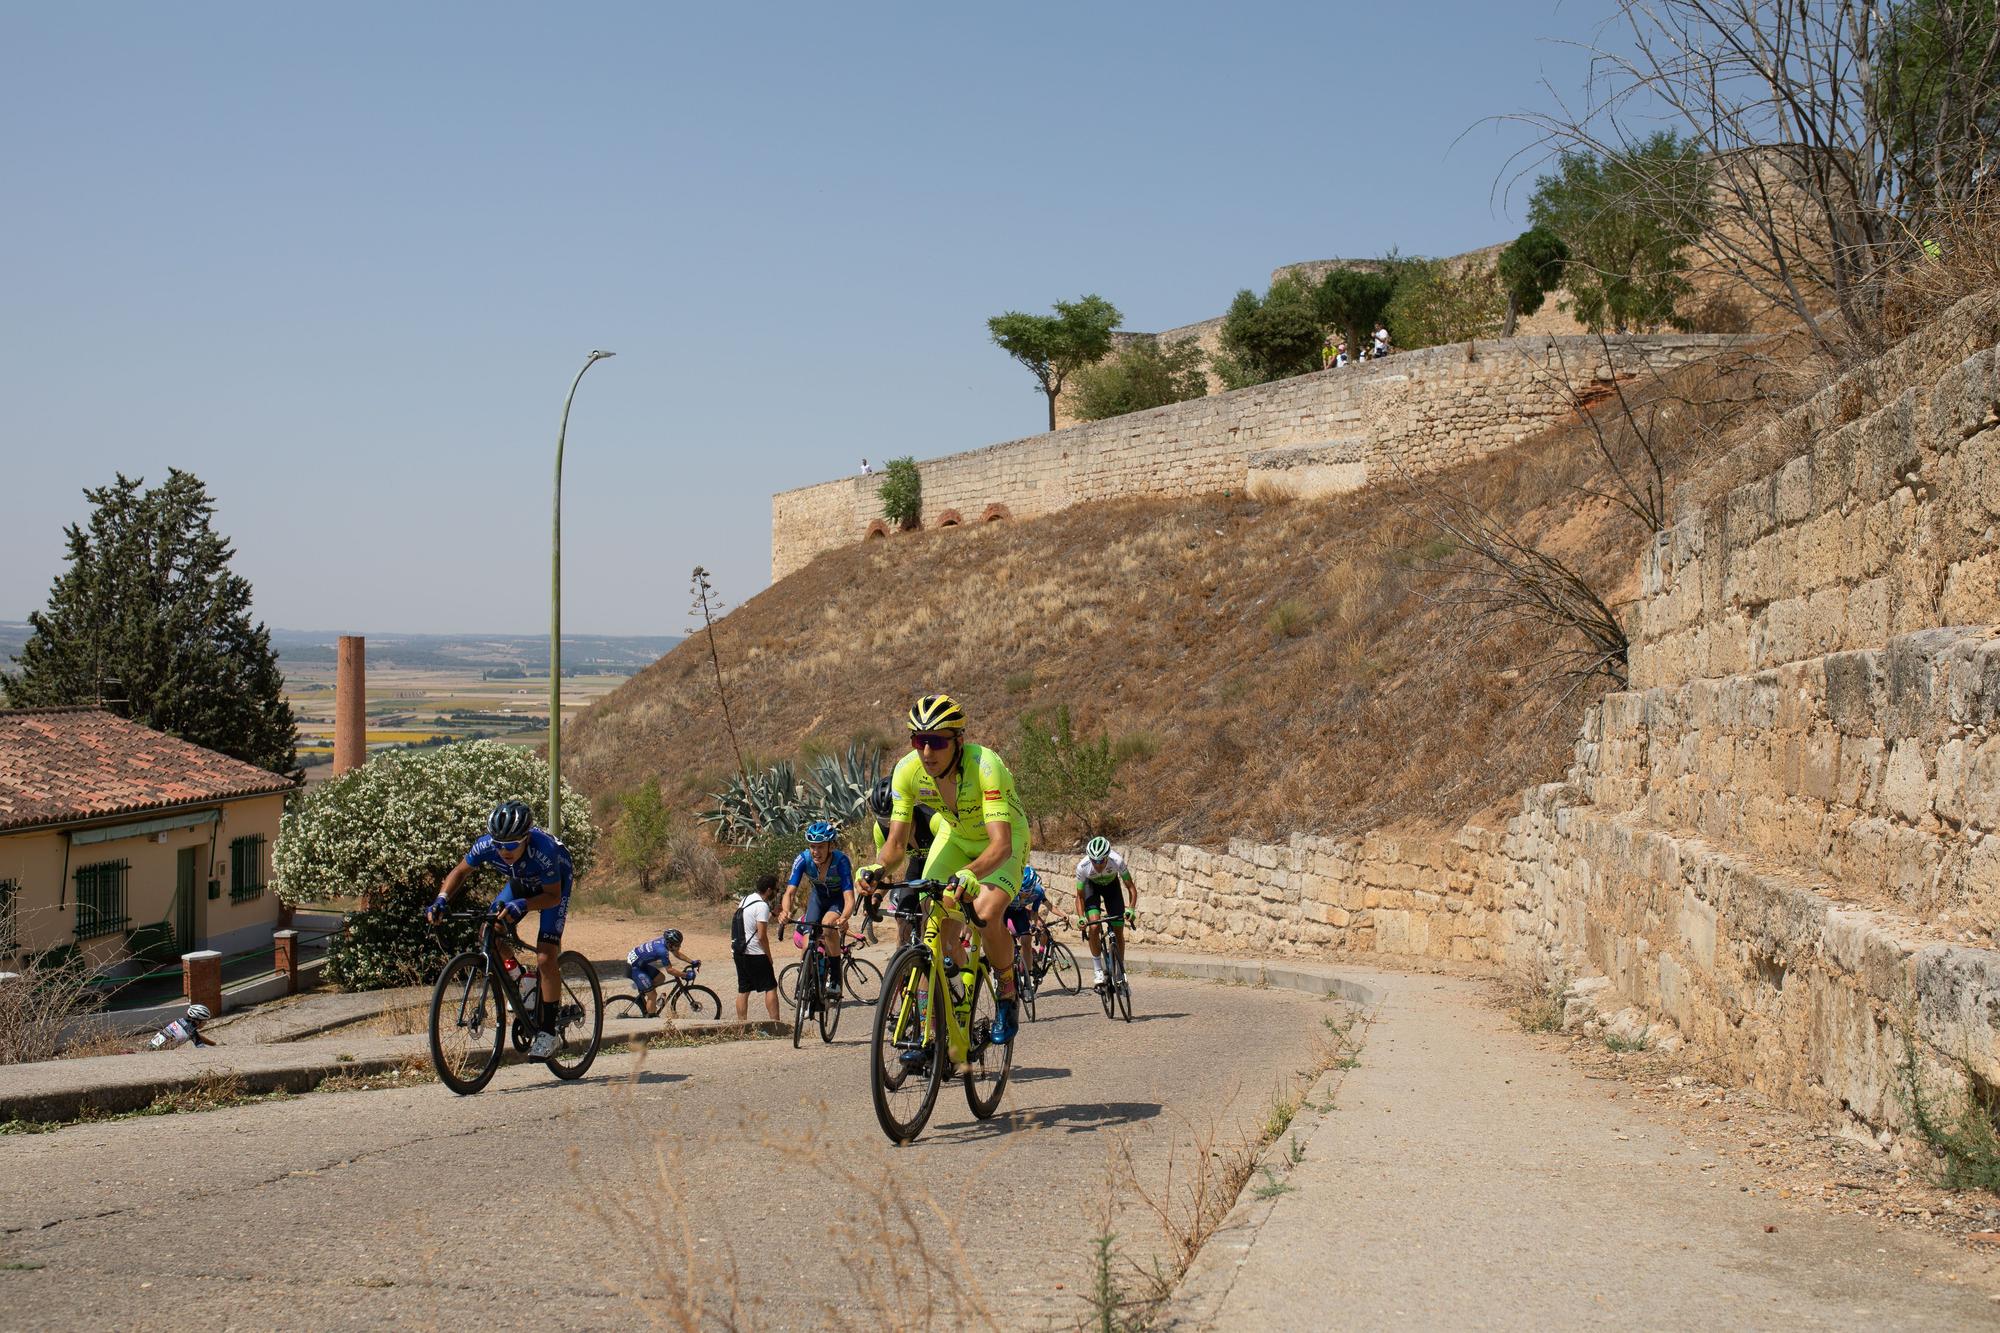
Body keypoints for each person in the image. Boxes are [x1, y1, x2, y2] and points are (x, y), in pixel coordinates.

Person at [862, 693, 1031, 1053]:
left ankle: (1006, 989)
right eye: (919, 741)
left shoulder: (986, 766)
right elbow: (895, 846)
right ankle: (934, 1024)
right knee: (931, 927)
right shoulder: (908, 772)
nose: (927, 752)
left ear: (958, 741)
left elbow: (1000, 845)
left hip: (1004, 842)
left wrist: (971, 872)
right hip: (956, 839)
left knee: (985, 913)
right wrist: (876, 868)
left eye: (936, 741)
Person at [425, 799, 575, 1059]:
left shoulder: (544, 849)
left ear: (526, 838)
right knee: (488, 932)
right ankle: (521, 978)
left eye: (511, 846)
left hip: (554, 885)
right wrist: (441, 899)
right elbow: (460, 871)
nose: (504, 851)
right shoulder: (487, 845)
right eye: (499, 845)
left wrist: (523, 905)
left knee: (545, 956)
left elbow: (551, 896)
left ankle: (549, 1032)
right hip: (521, 882)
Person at [859, 775, 945, 950]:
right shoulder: (880, 830)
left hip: (942, 865)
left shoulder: (933, 820)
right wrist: (875, 898)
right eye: (884, 821)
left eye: (894, 818)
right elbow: (885, 875)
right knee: (903, 916)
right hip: (917, 866)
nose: (891, 826)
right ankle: (904, 966)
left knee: (932, 918)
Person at [781, 821, 855, 997]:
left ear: (830, 846)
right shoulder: (803, 859)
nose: (816, 851)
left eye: (821, 847)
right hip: (818, 899)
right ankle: (806, 980)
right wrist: (785, 911)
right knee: (807, 944)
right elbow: (789, 893)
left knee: (828, 925)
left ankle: (836, 978)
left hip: (837, 900)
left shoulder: (841, 861)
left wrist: (844, 918)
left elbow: (849, 898)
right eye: (812, 846)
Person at [1075, 836, 1140, 991]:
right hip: (1092, 889)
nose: (1097, 865)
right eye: (1094, 861)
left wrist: (1131, 908)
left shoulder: (1117, 860)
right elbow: (1080, 896)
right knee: (1094, 927)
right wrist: (1081, 917)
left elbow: (1131, 888)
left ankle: (1120, 972)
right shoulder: (1083, 866)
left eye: (1101, 861)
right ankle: (1098, 970)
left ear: (1107, 857)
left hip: (1112, 888)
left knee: (1118, 930)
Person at [733, 874, 780, 1022]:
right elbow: (761, 936)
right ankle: (775, 1023)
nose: (776, 893)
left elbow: (750, 922)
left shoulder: (745, 900)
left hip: (739, 951)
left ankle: (742, 1024)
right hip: (756, 953)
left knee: (744, 989)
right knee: (770, 987)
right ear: (768, 890)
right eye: (776, 890)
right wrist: (769, 956)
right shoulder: (762, 905)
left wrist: (773, 914)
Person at [625, 927, 700, 1018]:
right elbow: (670, 970)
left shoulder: (665, 942)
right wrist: (686, 975)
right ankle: (650, 1018)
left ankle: (643, 995)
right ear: (670, 944)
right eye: (677, 945)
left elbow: (676, 953)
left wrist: (691, 962)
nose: (679, 947)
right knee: (652, 995)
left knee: (660, 978)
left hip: (639, 963)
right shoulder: (662, 951)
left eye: (679, 944)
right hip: (634, 968)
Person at [1004, 862, 1051, 997]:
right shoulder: (1008, 889)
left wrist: (1033, 925)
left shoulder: (1037, 891)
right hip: (1005, 912)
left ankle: (1027, 977)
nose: (1024, 895)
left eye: (1027, 892)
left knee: (1026, 940)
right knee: (1006, 940)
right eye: (1021, 892)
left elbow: (1034, 913)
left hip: (1019, 913)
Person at [148, 1003, 216, 1050]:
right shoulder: (191, 1032)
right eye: (205, 1021)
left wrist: (214, 1044)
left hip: (151, 1045)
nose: (206, 1023)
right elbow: (202, 1049)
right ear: (198, 1021)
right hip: (159, 1051)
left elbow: (200, 1037)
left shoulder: (181, 1021)